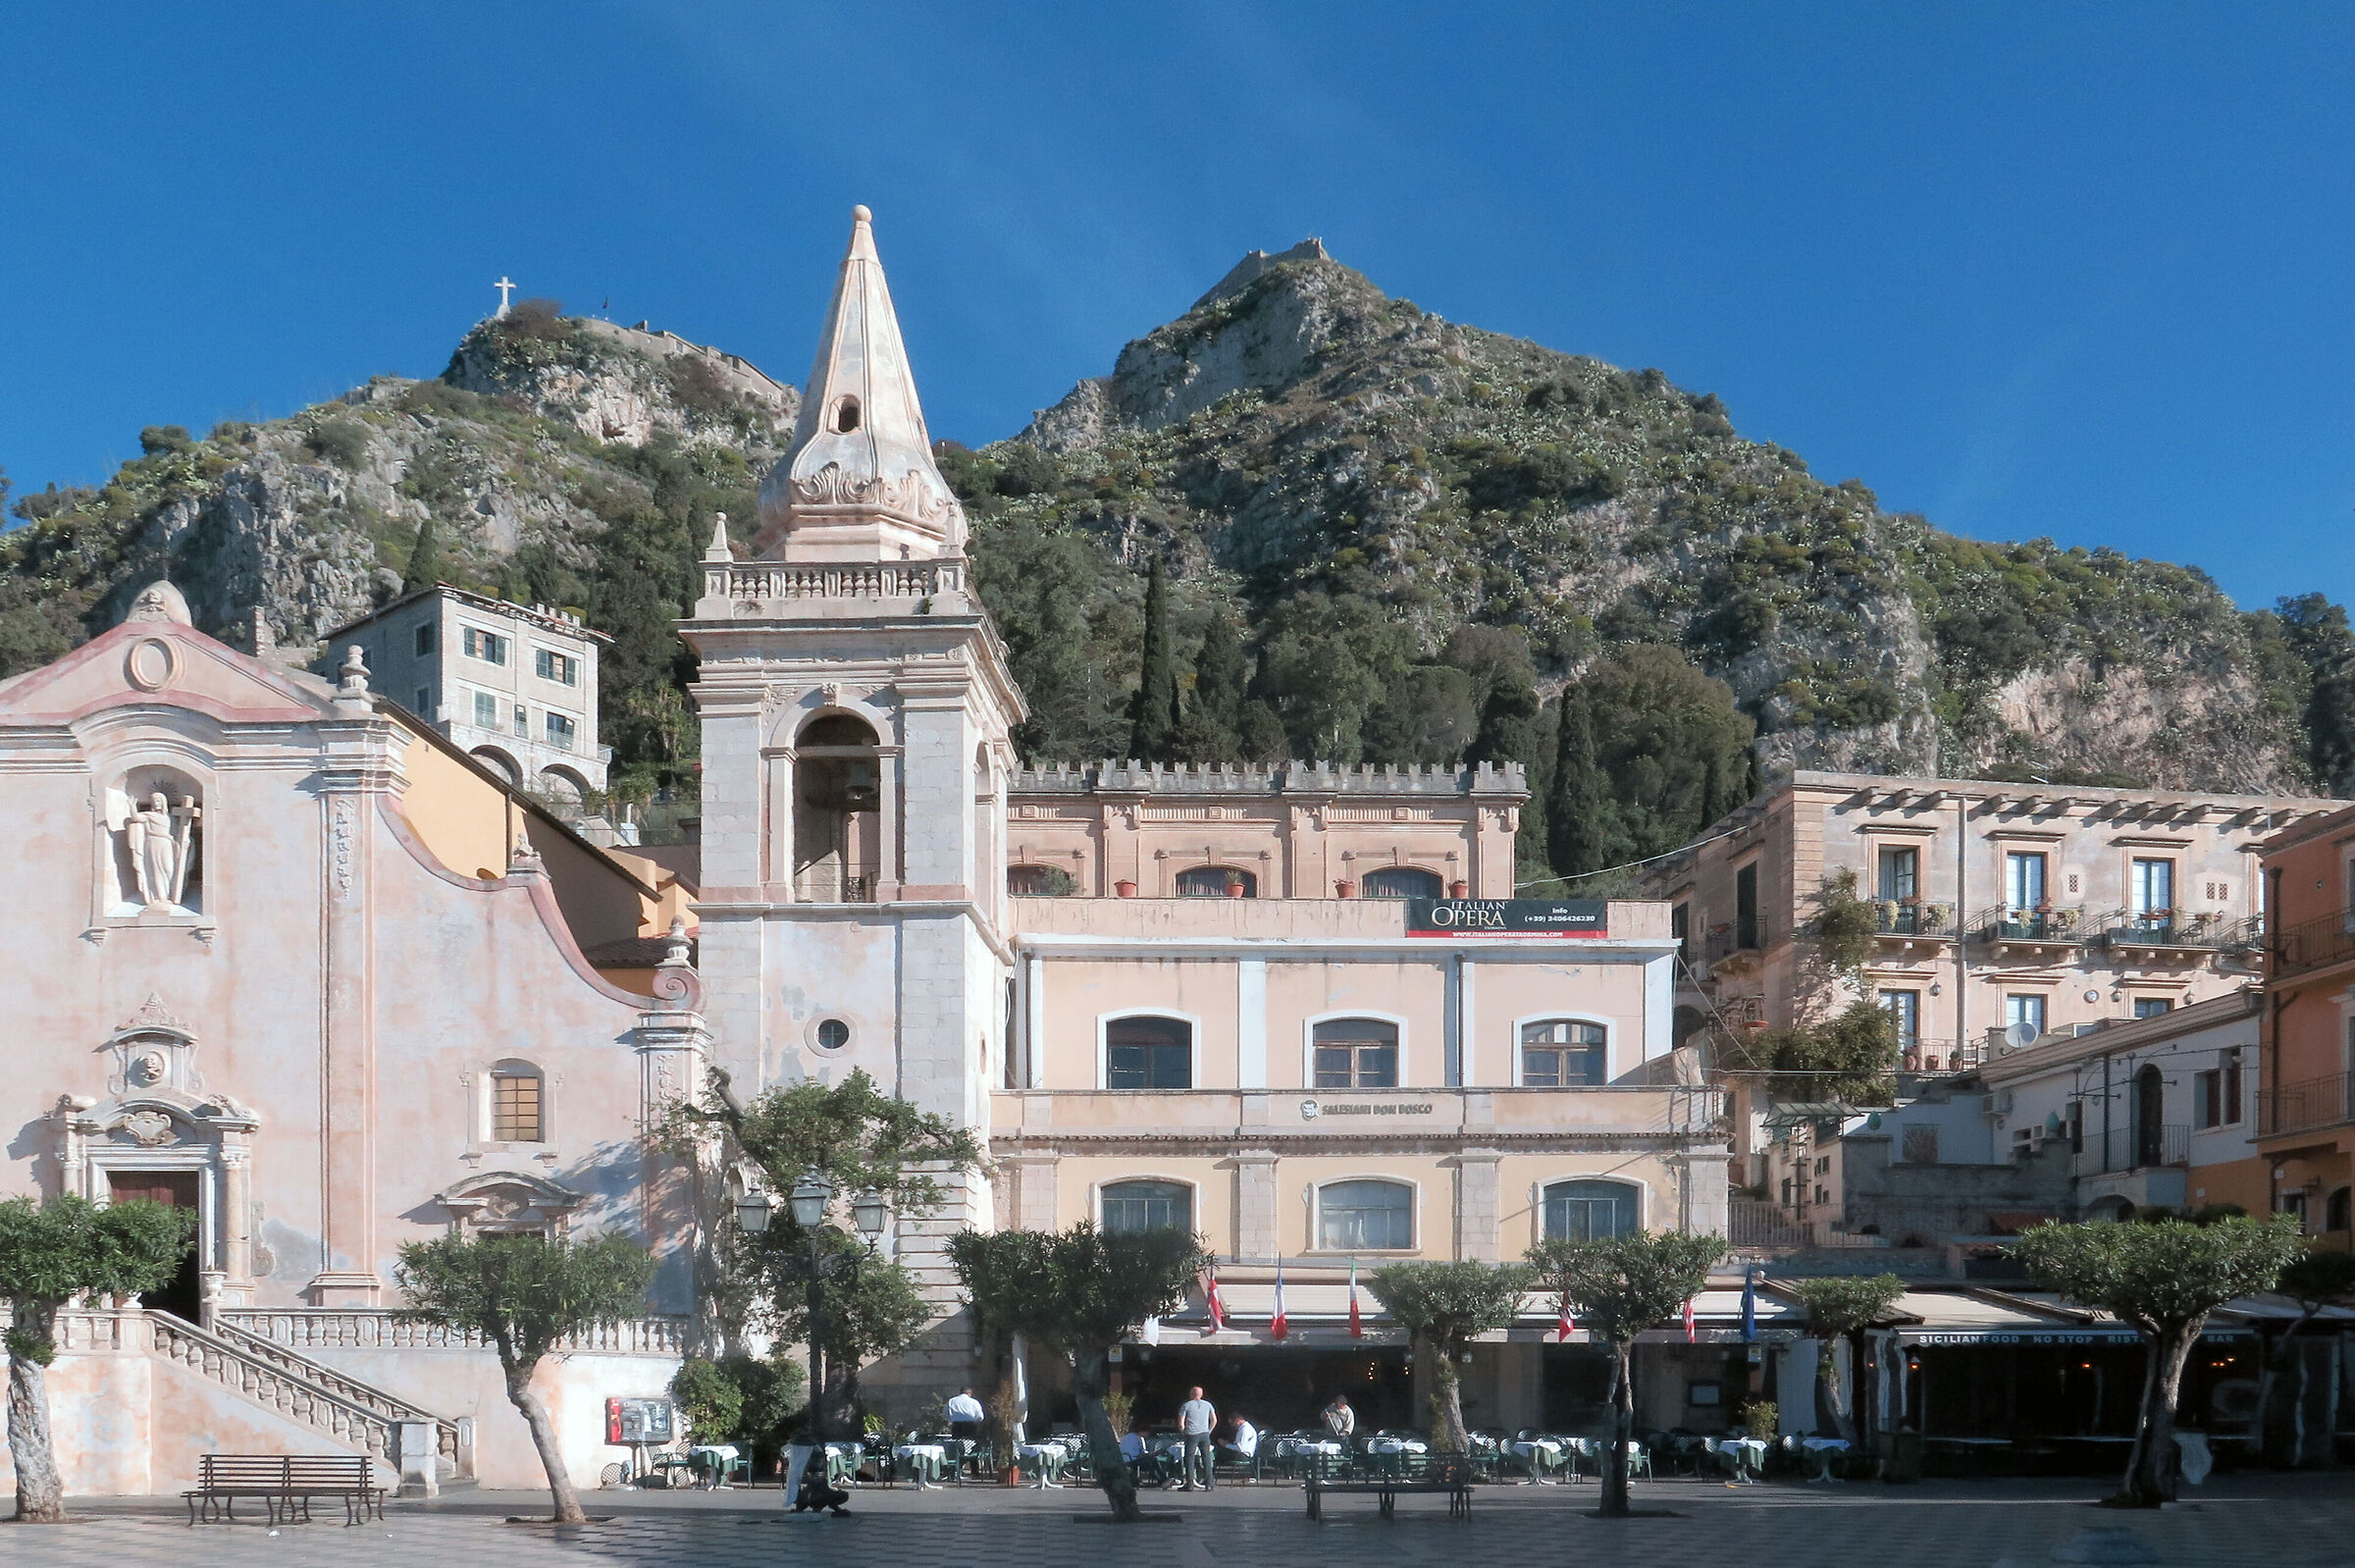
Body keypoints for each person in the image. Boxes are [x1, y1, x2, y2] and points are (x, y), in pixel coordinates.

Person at [1176, 1385, 1218, 1490]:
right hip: (1204, 1433)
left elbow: (1181, 1424)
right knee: (1206, 1457)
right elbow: (1214, 1419)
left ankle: (1189, 1483)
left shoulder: (1186, 1405)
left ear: (1191, 1394)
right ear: (1201, 1394)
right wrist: (1209, 1431)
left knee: (1190, 1458)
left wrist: (1183, 1433)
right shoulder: (1208, 1405)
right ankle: (1209, 1483)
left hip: (1192, 1434)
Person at [1219, 1413, 1259, 1479]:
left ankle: (1210, 1475)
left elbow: (1241, 1448)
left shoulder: (1245, 1429)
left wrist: (1226, 1445)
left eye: (1232, 1423)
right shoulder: (1244, 1428)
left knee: (1217, 1453)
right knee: (1218, 1452)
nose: (1232, 1426)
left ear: (1237, 1420)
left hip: (1243, 1455)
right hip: (1243, 1454)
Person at [945, 1386, 985, 1450]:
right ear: (970, 1393)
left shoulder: (951, 1401)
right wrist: (975, 1421)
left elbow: (945, 1414)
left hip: (956, 1425)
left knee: (957, 1444)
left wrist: (953, 1419)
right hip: (970, 1425)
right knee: (971, 1443)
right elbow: (980, 1416)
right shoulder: (974, 1402)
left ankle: (959, 1456)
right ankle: (969, 1456)